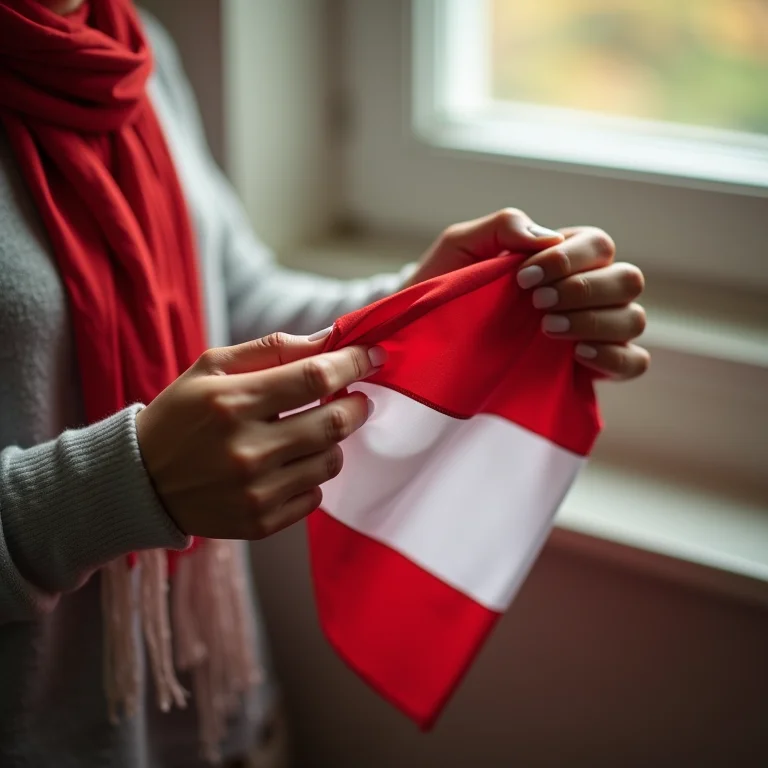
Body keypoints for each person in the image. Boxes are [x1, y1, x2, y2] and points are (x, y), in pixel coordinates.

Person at [0, 1, 649, 766]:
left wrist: (427, 305)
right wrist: (117, 486)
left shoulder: (126, 50)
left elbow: (233, 307)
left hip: (217, 718)